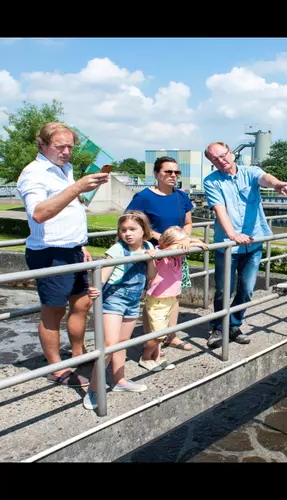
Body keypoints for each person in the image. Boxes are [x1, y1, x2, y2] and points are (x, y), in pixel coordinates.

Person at [16, 122, 110, 388]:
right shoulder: (33, 173)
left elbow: (67, 211)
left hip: (73, 250)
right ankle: (56, 368)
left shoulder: (63, 169)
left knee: (81, 305)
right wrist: (77, 188)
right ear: (43, 145)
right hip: (49, 253)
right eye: (60, 146)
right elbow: (39, 213)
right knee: (54, 311)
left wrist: (80, 245)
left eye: (70, 146)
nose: (67, 151)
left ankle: (78, 355)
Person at [202, 141, 287, 349]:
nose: (221, 161)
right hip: (227, 244)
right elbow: (219, 209)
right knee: (224, 289)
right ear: (211, 162)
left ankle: (233, 325)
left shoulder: (250, 172)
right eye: (215, 159)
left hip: (254, 240)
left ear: (231, 153)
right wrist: (233, 235)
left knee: (247, 289)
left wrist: (277, 184)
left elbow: (264, 178)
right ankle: (218, 328)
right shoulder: (211, 181)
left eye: (223, 155)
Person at [82, 211, 156, 410]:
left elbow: (151, 275)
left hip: (133, 300)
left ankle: (119, 380)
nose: (128, 234)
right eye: (123, 230)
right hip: (114, 300)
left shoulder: (149, 247)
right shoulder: (117, 249)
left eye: (133, 229)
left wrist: (150, 259)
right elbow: (103, 274)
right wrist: (95, 287)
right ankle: (94, 388)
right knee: (108, 344)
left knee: (122, 342)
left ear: (144, 231)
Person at [126, 156, 196, 353]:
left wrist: (184, 239)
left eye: (176, 172)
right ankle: (152, 342)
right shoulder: (144, 197)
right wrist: (162, 238)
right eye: (168, 172)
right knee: (153, 297)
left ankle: (172, 335)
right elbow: (131, 222)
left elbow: (188, 222)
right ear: (157, 174)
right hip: (154, 254)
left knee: (174, 294)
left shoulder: (181, 196)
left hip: (177, 255)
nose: (173, 175)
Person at [141, 226, 208, 370]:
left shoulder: (177, 255)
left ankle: (157, 357)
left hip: (171, 298)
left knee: (162, 332)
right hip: (158, 300)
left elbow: (198, 242)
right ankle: (145, 357)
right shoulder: (159, 253)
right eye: (179, 244)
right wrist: (183, 244)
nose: (182, 248)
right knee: (159, 334)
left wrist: (193, 241)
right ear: (166, 242)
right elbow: (165, 251)